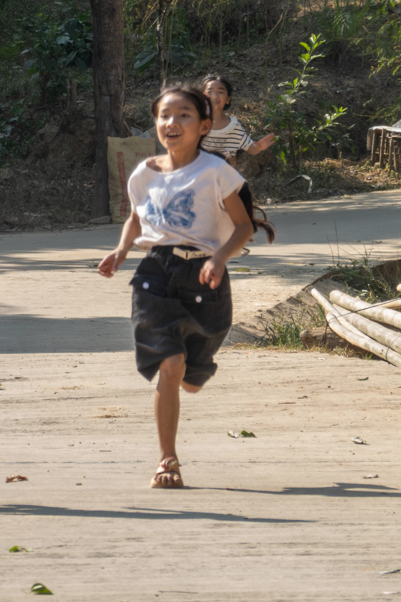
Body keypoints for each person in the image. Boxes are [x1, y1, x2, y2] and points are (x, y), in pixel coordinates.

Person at [98, 84, 275, 489]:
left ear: (204, 126)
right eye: (164, 115)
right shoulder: (145, 173)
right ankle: (168, 459)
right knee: (170, 364)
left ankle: (190, 374)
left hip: (204, 276)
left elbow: (245, 225)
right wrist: (122, 250)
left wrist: (219, 257)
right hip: (155, 274)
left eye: (184, 116)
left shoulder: (216, 172)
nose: (171, 123)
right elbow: (137, 218)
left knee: (192, 376)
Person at [201, 75, 275, 159]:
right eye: (209, 92)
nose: (215, 96)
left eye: (220, 92)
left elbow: (249, 147)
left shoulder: (234, 126)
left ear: (228, 99)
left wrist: (259, 147)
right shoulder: (196, 123)